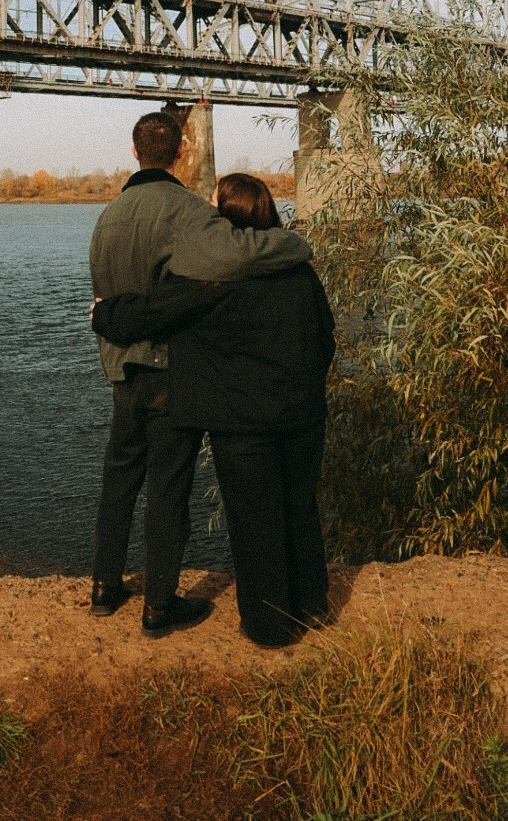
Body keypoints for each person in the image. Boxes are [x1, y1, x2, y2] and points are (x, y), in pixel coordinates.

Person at [89, 113, 312, 638]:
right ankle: (159, 607)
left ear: (133, 151)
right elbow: (238, 255)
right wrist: (297, 244)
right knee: (168, 486)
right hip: (171, 371)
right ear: (181, 153)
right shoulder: (187, 212)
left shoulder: (107, 216)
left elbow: (108, 292)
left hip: (122, 371)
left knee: (119, 480)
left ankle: (103, 587)